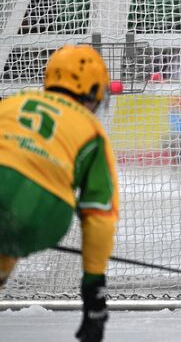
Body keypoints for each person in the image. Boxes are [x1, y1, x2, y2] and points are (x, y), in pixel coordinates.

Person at [0, 45, 119, 342]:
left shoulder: (13, 103)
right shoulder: (91, 131)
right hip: (45, 214)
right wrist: (94, 293)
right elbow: (99, 213)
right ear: (93, 89)